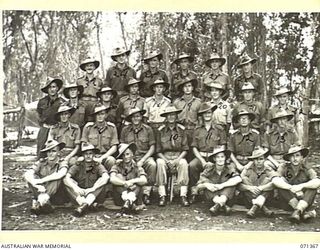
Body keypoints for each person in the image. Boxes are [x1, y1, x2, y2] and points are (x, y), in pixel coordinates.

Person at [189, 102, 227, 203]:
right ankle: (194, 192)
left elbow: (223, 145)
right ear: (202, 115)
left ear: (212, 113)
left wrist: (215, 159)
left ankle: (216, 192)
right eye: (205, 113)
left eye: (209, 113)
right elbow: (194, 147)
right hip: (201, 156)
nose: (207, 115)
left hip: (214, 157)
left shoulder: (219, 129)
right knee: (192, 166)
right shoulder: (197, 130)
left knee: (218, 168)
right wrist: (202, 161)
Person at [271, 145, 320, 223]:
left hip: (303, 200)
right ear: (289, 158)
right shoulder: (284, 167)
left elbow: (317, 181)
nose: (295, 158)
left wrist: (301, 186)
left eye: (297, 156)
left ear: (301, 157)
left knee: (313, 187)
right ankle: (303, 212)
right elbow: (275, 180)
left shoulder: (306, 168)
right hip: (289, 202)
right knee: (281, 184)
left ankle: (297, 211)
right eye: (292, 156)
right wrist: (291, 188)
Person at [120, 107, 157, 205]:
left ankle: (146, 193)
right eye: (133, 117)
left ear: (141, 117)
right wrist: (129, 159)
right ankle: (127, 191)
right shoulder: (125, 130)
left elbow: (152, 147)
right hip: (129, 157)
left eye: (138, 116)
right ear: (130, 119)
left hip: (144, 156)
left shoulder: (148, 129)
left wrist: (143, 160)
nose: (136, 119)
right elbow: (122, 147)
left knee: (152, 164)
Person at [156, 106, 190, 207]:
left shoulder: (181, 130)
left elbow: (185, 149)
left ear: (176, 116)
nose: (171, 117)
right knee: (159, 163)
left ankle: (183, 195)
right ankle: (162, 195)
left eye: (173, 115)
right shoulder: (160, 130)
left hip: (178, 156)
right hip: (165, 156)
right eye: (168, 115)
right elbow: (158, 150)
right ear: (166, 117)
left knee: (183, 163)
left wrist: (177, 160)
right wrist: (166, 160)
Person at [63, 142, 109, 217]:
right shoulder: (78, 165)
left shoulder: (97, 165)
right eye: (86, 153)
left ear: (94, 155)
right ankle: (86, 205)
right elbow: (66, 177)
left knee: (102, 181)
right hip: (80, 194)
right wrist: (76, 188)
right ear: (83, 155)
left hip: (94, 194)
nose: (88, 156)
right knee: (68, 181)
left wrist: (92, 189)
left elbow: (106, 177)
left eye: (90, 153)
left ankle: (84, 205)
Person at [195, 145, 242, 216]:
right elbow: (198, 185)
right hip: (213, 197)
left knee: (231, 184)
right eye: (218, 157)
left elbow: (238, 178)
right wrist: (207, 185)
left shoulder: (229, 168)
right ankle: (222, 205)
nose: (220, 159)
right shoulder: (209, 168)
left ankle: (218, 205)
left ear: (225, 158)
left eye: (222, 157)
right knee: (207, 184)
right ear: (214, 159)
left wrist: (222, 185)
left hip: (226, 197)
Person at [25, 140, 68, 215]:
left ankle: (39, 202)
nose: (51, 154)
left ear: (58, 152)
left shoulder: (62, 162)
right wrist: (37, 185)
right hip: (41, 190)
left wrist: (41, 181)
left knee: (57, 178)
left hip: (56, 195)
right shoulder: (41, 162)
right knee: (32, 177)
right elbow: (27, 173)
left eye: (53, 151)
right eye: (48, 152)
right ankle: (43, 203)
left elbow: (61, 173)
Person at [110, 143, 147, 213]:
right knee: (118, 177)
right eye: (123, 155)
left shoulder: (137, 166)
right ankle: (129, 202)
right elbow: (112, 178)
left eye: (127, 154)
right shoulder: (117, 166)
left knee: (139, 181)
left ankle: (129, 201)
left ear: (132, 154)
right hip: (121, 197)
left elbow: (144, 180)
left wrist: (132, 181)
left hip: (135, 196)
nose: (125, 157)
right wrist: (124, 183)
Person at [239, 146, 275, 218]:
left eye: (261, 159)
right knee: (244, 179)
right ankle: (263, 208)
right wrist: (249, 188)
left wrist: (262, 188)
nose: (258, 161)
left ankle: (255, 207)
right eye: (256, 159)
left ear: (265, 159)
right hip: (249, 200)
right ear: (253, 160)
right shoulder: (248, 169)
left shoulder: (268, 170)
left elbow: (275, 184)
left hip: (266, 199)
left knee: (268, 180)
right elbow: (238, 185)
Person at [81, 105, 118, 171]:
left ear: (106, 115)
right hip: (91, 156)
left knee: (111, 160)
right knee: (79, 160)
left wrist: (102, 157)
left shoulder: (112, 127)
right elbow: (84, 145)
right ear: (95, 116)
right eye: (97, 114)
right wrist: (92, 157)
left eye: (102, 114)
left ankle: (109, 179)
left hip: (105, 156)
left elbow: (114, 147)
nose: (100, 116)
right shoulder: (88, 127)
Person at [36, 77, 64, 159]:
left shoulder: (62, 102)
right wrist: (42, 124)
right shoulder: (42, 101)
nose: (52, 89)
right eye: (49, 87)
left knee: (57, 151)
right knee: (41, 150)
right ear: (47, 89)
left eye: (54, 87)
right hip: (45, 128)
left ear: (57, 88)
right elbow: (38, 113)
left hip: (57, 128)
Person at [173, 77, 201, 146]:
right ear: (182, 88)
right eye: (185, 86)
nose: (187, 88)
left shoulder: (198, 102)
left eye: (189, 86)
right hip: (180, 131)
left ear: (193, 88)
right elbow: (173, 118)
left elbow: (201, 119)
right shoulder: (177, 102)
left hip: (193, 130)